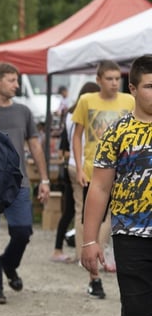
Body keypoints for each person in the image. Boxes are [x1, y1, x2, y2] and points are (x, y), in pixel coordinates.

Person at [81, 54, 152, 316]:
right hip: (131, 235)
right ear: (133, 88)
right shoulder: (117, 132)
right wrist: (89, 239)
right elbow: (99, 188)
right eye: (150, 86)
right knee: (137, 310)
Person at [0, 62, 51, 303]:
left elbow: (35, 146)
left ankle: (8, 262)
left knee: (23, 230)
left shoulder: (23, 112)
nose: (17, 85)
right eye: (12, 80)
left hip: (18, 182)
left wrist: (45, 179)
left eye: (17, 80)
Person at [72, 60, 135, 299]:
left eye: (117, 78)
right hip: (93, 169)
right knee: (93, 219)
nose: (114, 82)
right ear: (98, 80)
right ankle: (94, 277)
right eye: (109, 78)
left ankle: (108, 256)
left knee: (115, 220)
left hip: (125, 171)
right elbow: (77, 136)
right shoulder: (87, 101)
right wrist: (78, 167)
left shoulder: (129, 101)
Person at [52, 82, 100, 263]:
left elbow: (65, 142)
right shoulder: (89, 113)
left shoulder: (70, 114)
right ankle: (83, 254)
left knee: (72, 210)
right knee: (82, 211)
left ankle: (59, 248)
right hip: (82, 165)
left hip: (70, 165)